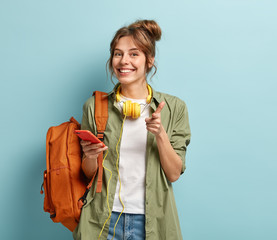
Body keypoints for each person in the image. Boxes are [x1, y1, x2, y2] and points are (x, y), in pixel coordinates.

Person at [73, 19, 191, 240]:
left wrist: (160, 134)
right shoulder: (95, 106)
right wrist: (90, 156)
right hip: (102, 220)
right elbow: (89, 172)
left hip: (152, 222)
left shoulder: (174, 108)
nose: (124, 61)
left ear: (150, 60)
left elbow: (174, 174)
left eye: (134, 54)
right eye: (118, 54)